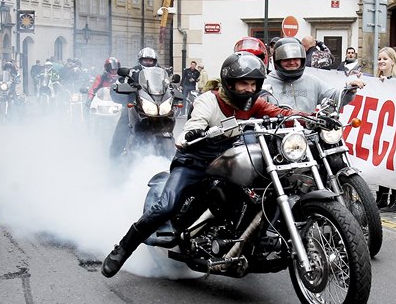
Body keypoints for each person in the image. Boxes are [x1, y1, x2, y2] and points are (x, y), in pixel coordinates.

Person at [101, 52, 305, 278]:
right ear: (230, 84)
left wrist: (311, 117)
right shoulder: (209, 100)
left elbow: (280, 113)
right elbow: (196, 120)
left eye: (253, 84)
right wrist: (193, 132)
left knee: (260, 190)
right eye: (243, 83)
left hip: (226, 160)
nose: (249, 89)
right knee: (166, 206)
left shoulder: (252, 103)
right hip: (194, 162)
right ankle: (123, 249)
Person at [264, 37, 365, 113]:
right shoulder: (266, 83)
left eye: (296, 59)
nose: (292, 62)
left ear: (302, 59)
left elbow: (333, 96)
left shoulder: (311, 81)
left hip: (309, 135)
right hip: (276, 136)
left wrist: (349, 90)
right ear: (278, 61)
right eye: (286, 59)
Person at [108, 47, 157, 160]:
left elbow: (167, 86)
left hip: (155, 107)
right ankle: (114, 159)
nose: (148, 63)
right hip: (134, 108)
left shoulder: (159, 72)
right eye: (145, 60)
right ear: (140, 60)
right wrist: (121, 87)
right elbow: (118, 85)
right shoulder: (132, 72)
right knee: (123, 127)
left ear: (154, 61)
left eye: (150, 60)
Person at [375, 46, 396, 213]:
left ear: (393, 61)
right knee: (382, 162)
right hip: (382, 128)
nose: (381, 61)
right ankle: (382, 197)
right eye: (379, 59)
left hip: (395, 129)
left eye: (385, 59)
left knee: (394, 163)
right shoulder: (376, 81)